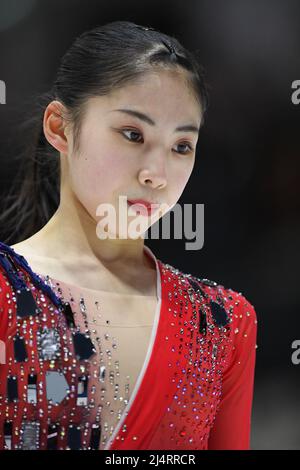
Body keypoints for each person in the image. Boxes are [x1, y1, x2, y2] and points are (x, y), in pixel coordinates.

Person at [0, 21, 257, 450]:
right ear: (61, 127)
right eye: (133, 134)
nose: (156, 174)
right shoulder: (6, 291)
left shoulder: (223, 323)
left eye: (181, 146)